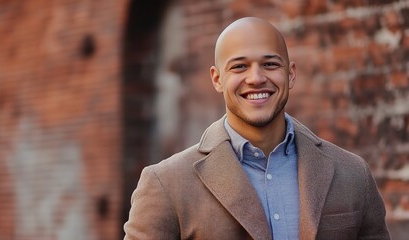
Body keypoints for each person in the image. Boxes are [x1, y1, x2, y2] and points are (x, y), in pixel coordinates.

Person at [124, 17, 390, 240]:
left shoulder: (353, 173)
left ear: (291, 74)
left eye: (270, 64)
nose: (256, 78)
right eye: (239, 66)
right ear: (217, 79)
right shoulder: (166, 183)